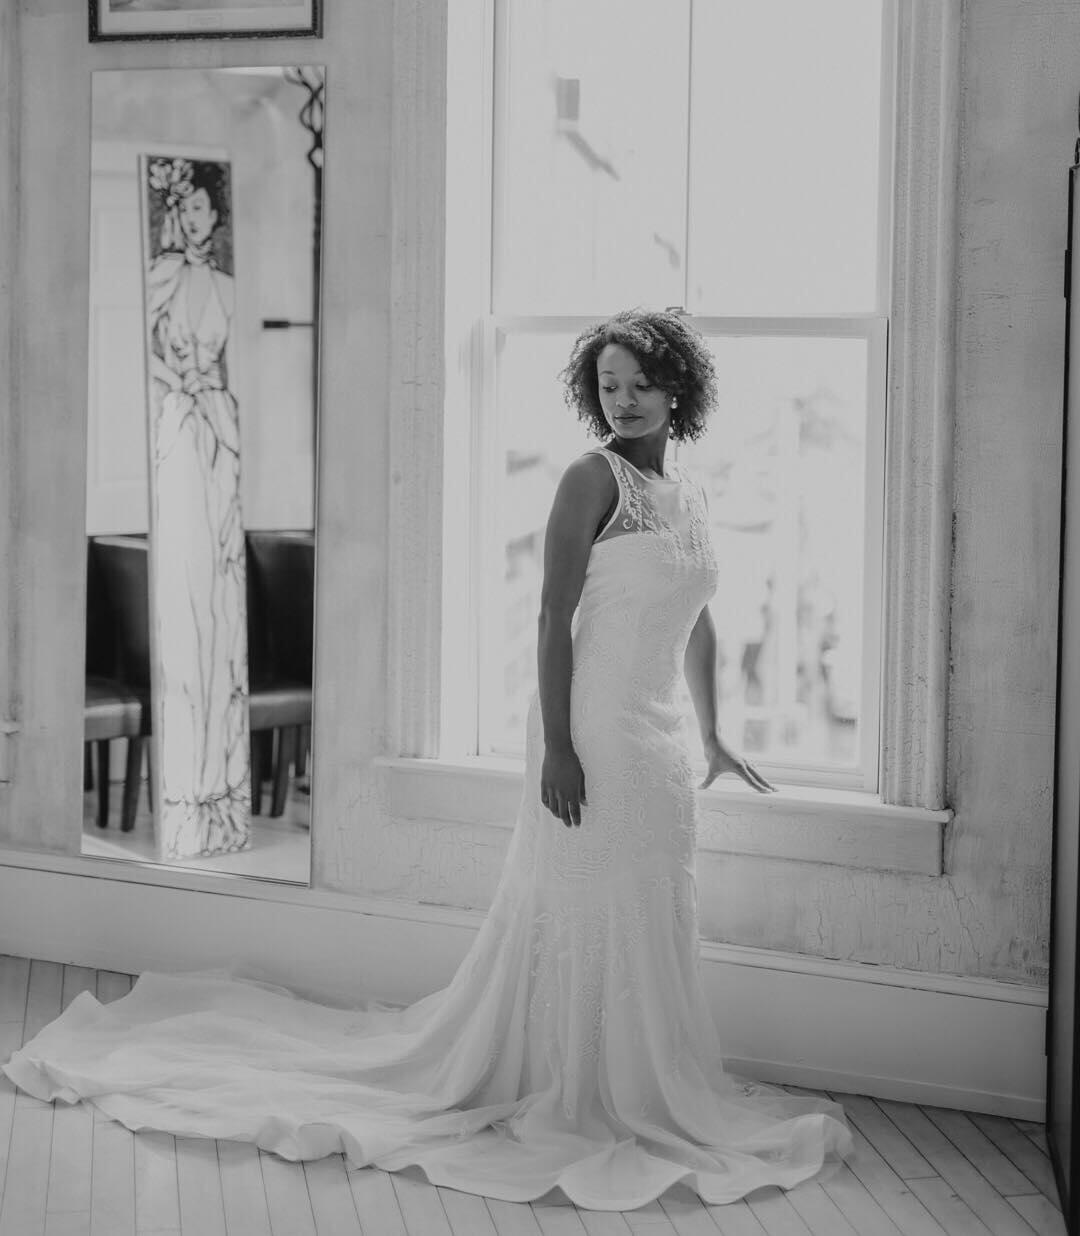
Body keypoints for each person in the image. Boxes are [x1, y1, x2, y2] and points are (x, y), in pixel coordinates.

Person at [3, 309, 854, 1210]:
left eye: (642, 382)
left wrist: (716, 731)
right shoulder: (587, 478)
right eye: (609, 384)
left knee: (650, 901)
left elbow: (698, 616)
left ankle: (639, 1080)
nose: (626, 400)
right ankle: (577, 1086)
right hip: (594, 725)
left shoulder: (693, 495)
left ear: (679, 385)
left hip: (662, 735)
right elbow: (552, 617)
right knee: (586, 893)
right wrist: (558, 746)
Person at [144, 157, 250, 858]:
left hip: (221, 431)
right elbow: (151, 358)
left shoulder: (228, 289)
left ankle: (220, 792)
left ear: (216, 217)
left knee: (221, 595)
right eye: (183, 209)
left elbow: (228, 361)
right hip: (175, 427)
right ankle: (185, 801)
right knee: (182, 591)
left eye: (205, 210)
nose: (193, 220)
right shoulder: (156, 280)